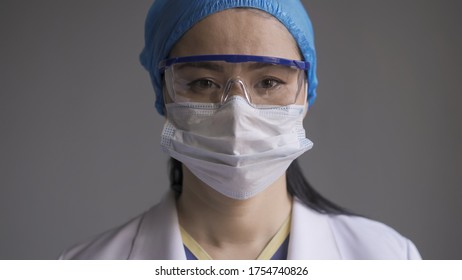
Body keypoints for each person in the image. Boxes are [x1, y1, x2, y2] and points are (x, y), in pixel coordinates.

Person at [60, 0, 421, 260]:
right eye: (203, 82)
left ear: (305, 93)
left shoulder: (387, 260)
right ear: (163, 92)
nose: (237, 111)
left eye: (268, 81)